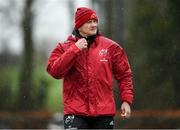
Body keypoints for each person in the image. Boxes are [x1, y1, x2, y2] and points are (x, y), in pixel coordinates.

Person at [46, 7, 134, 129]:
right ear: (79, 25)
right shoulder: (64, 48)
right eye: (89, 22)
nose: (93, 25)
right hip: (75, 113)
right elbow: (55, 72)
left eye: (95, 21)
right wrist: (75, 49)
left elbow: (124, 75)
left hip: (104, 114)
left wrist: (126, 101)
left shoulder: (111, 47)